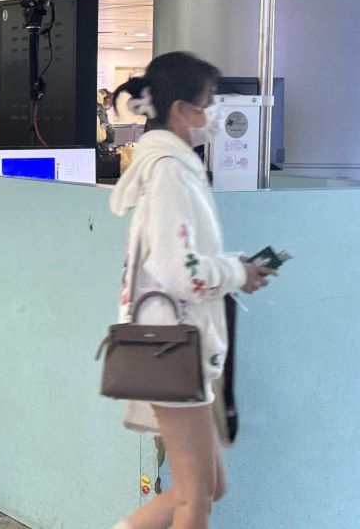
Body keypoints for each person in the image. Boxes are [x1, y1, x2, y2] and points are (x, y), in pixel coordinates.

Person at [107, 52, 277, 529]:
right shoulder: (170, 172)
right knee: (196, 496)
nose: (213, 113)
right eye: (208, 102)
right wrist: (236, 272)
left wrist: (236, 269)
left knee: (206, 487)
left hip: (175, 342)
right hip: (172, 346)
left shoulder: (170, 166)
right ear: (181, 108)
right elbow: (177, 270)